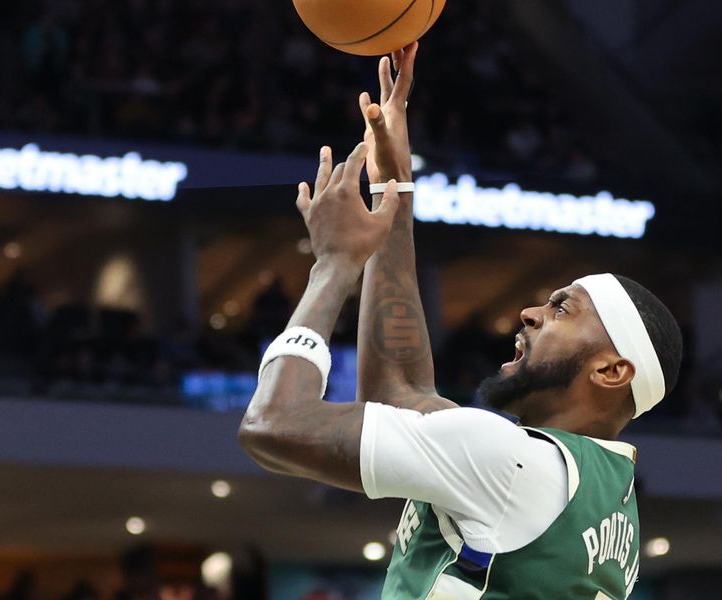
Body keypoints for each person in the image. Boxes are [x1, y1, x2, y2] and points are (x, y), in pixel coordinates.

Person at [239, 43, 682, 600]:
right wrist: (392, 192)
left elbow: (273, 425)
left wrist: (333, 266)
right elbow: (400, 393)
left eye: (563, 307)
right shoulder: (598, 494)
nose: (530, 312)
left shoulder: (509, 463)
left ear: (612, 370)